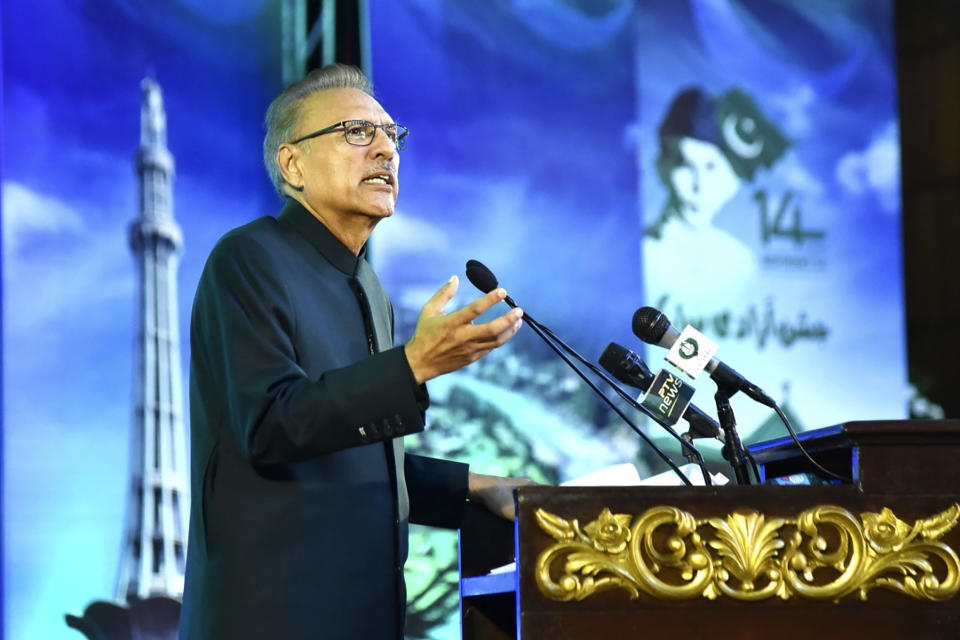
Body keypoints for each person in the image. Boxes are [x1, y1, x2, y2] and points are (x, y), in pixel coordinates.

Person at [179, 64, 527, 640]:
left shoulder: (368, 287)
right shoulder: (248, 259)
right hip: (273, 619)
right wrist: (412, 366)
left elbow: (352, 463)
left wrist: (475, 486)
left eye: (394, 136)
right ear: (293, 164)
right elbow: (270, 428)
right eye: (358, 132)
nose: (387, 150)